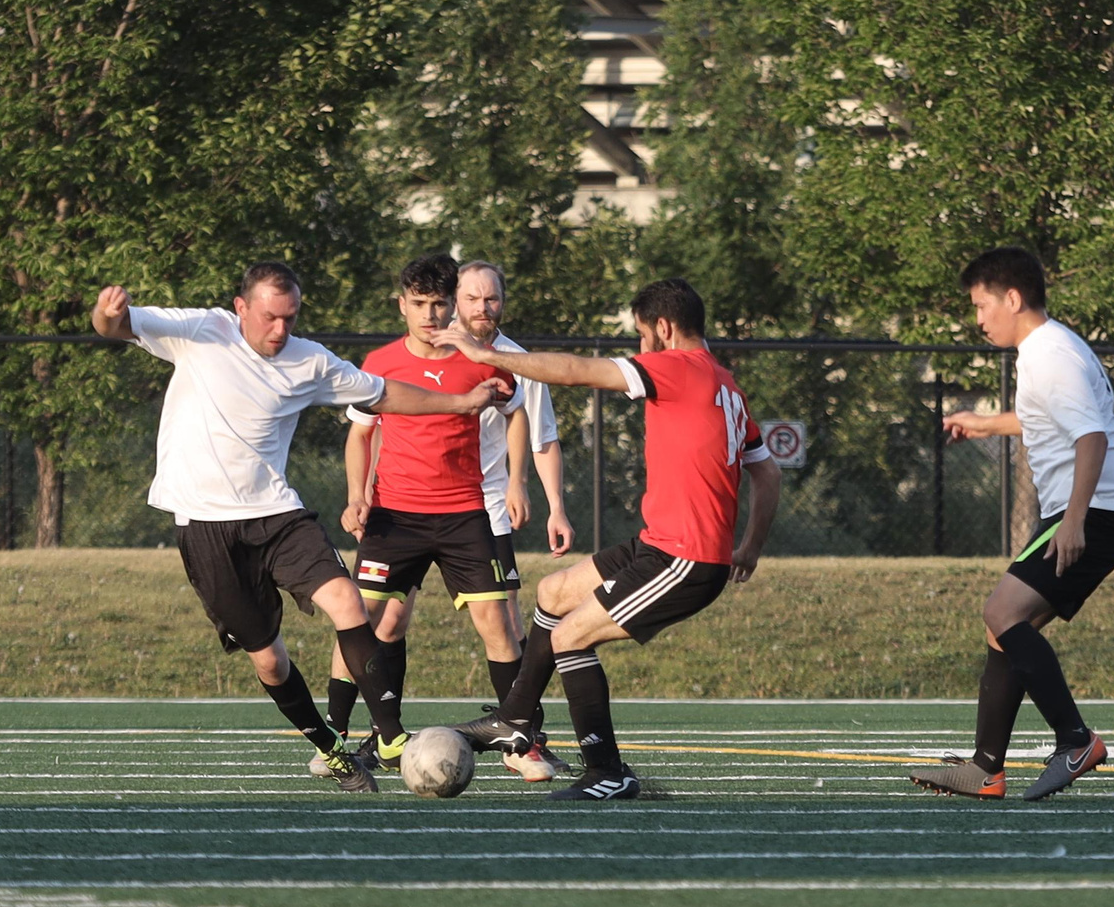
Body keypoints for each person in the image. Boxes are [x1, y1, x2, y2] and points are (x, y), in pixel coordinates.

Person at [91, 263, 499, 793]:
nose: (279, 330)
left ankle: (391, 734)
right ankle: (329, 749)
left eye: (290, 318)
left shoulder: (310, 361)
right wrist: (107, 313)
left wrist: (461, 403)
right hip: (207, 528)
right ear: (241, 308)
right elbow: (116, 328)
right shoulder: (202, 332)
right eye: (269, 317)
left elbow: (385, 395)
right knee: (271, 661)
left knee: (350, 603)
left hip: (277, 515)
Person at [442, 277, 780, 802]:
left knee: (570, 637)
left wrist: (488, 354)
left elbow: (576, 372)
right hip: (659, 545)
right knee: (554, 593)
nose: (640, 349)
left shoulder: (677, 366)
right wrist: (751, 546)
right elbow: (768, 472)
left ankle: (607, 771)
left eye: (642, 336)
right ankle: (514, 719)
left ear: (663, 330)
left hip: (684, 559)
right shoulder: (725, 384)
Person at [325, 259, 575, 782]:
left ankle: (520, 738)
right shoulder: (380, 361)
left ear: (452, 304)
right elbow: (360, 433)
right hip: (395, 515)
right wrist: (357, 494)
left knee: (500, 624)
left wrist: (515, 481)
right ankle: (341, 739)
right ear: (402, 305)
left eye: (440, 303)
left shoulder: (484, 358)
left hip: (464, 513)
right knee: (363, 618)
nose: (431, 314)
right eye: (420, 304)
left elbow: (518, 415)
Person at [910, 247, 1114, 802]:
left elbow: (1092, 437)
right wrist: (987, 425)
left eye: (982, 304)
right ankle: (986, 768)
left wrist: (1075, 521)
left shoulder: (1049, 354)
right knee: (1005, 627)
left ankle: (1076, 740)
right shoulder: (1049, 348)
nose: (978, 318)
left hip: (1095, 510)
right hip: (1096, 509)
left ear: (1012, 299)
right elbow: (1049, 418)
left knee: (1001, 612)